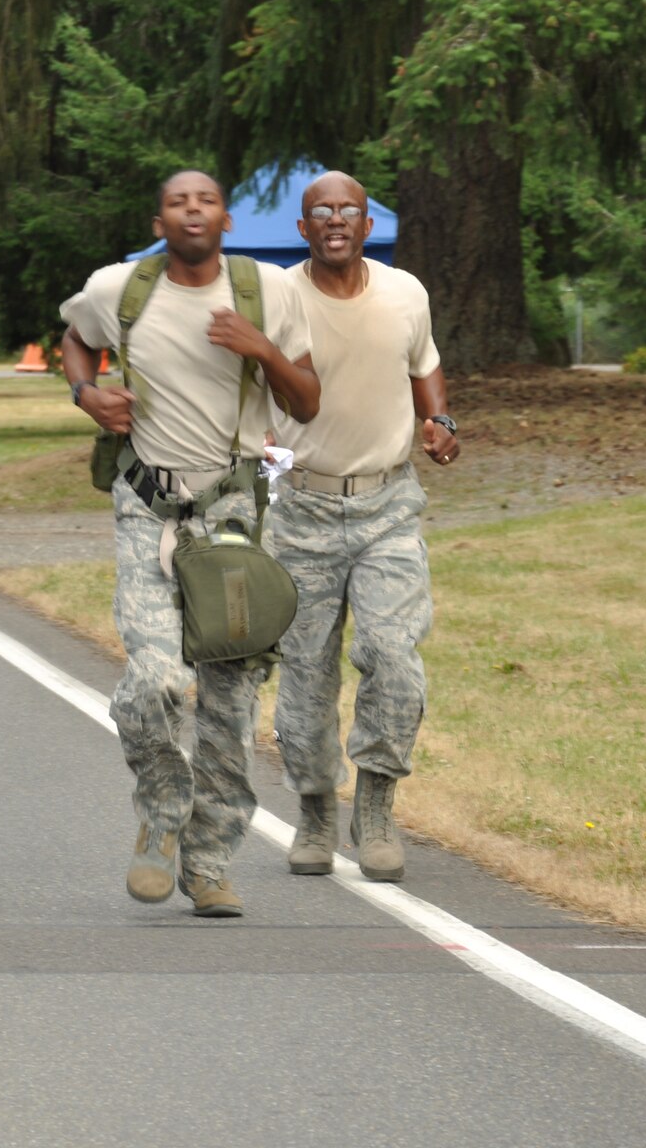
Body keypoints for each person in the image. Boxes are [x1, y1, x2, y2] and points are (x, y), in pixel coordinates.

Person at [60, 170, 319, 917]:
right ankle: (162, 810)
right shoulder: (120, 289)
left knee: (231, 709)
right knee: (155, 682)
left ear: (225, 218)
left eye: (205, 199)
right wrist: (88, 395)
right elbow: (75, 343)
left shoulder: (267, 291)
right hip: (147, 507)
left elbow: (307, 398)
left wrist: (260, 349)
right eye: (177, 200)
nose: (192, 210)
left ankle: (208, 866)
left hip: (233, 515)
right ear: (160, 217)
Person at [266, 169, 457, 882]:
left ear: (369, 226)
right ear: (304, 229)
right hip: (303, 510)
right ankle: (316, 808)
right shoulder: (278, 297)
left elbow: (425, 367)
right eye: (322, 212)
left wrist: (439, 420)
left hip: (387, 506)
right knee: (306, 675)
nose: (337, 220)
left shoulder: (405, 291)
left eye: (350, 210)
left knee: (395, 655)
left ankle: (375, 803)